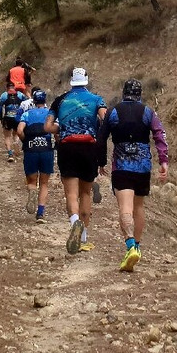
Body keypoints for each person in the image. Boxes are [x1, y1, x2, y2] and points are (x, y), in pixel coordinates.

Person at [97, 79, 169, 272]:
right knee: (139, 207)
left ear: (124, 93)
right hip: (143, 167)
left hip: (121, 166)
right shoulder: (148, 112)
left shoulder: (113, 111)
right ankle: (137, 246)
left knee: (125, 208)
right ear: (139, 94)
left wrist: (101, 161)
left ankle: (130, 247)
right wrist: (163, 160)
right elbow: (159, 134)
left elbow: (101, 137)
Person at [44, 67, 107, 255]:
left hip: (67, 147)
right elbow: (106, 119)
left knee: (71, 194)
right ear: (86, 80)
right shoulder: (97, 99)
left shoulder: (59, 100)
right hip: (89, 147)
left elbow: (47, 126)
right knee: (86, 193)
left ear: (71, 81)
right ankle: (84, 239)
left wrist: (63, 127)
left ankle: (74, 223)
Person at [17, 88, 55, 223]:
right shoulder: (50, 114)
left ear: (33, 101)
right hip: (46, 149)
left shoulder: (27, 114)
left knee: (32, 181)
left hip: (31, 149)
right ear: (45, 100)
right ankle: (40, 213)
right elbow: (56, 130)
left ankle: (32, 191)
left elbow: (19, 130)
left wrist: (25, 140)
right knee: (44, 183)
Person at [0, 82, 27, 162]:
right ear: (14, 87)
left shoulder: (4, 95)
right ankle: (16, 142)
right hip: (18, 118)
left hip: (8, 118)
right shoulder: (20, 94)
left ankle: (10, 154)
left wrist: (1, 118)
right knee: (16, 133)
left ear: (7, 88)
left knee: (7, 136)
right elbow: (26, 104)